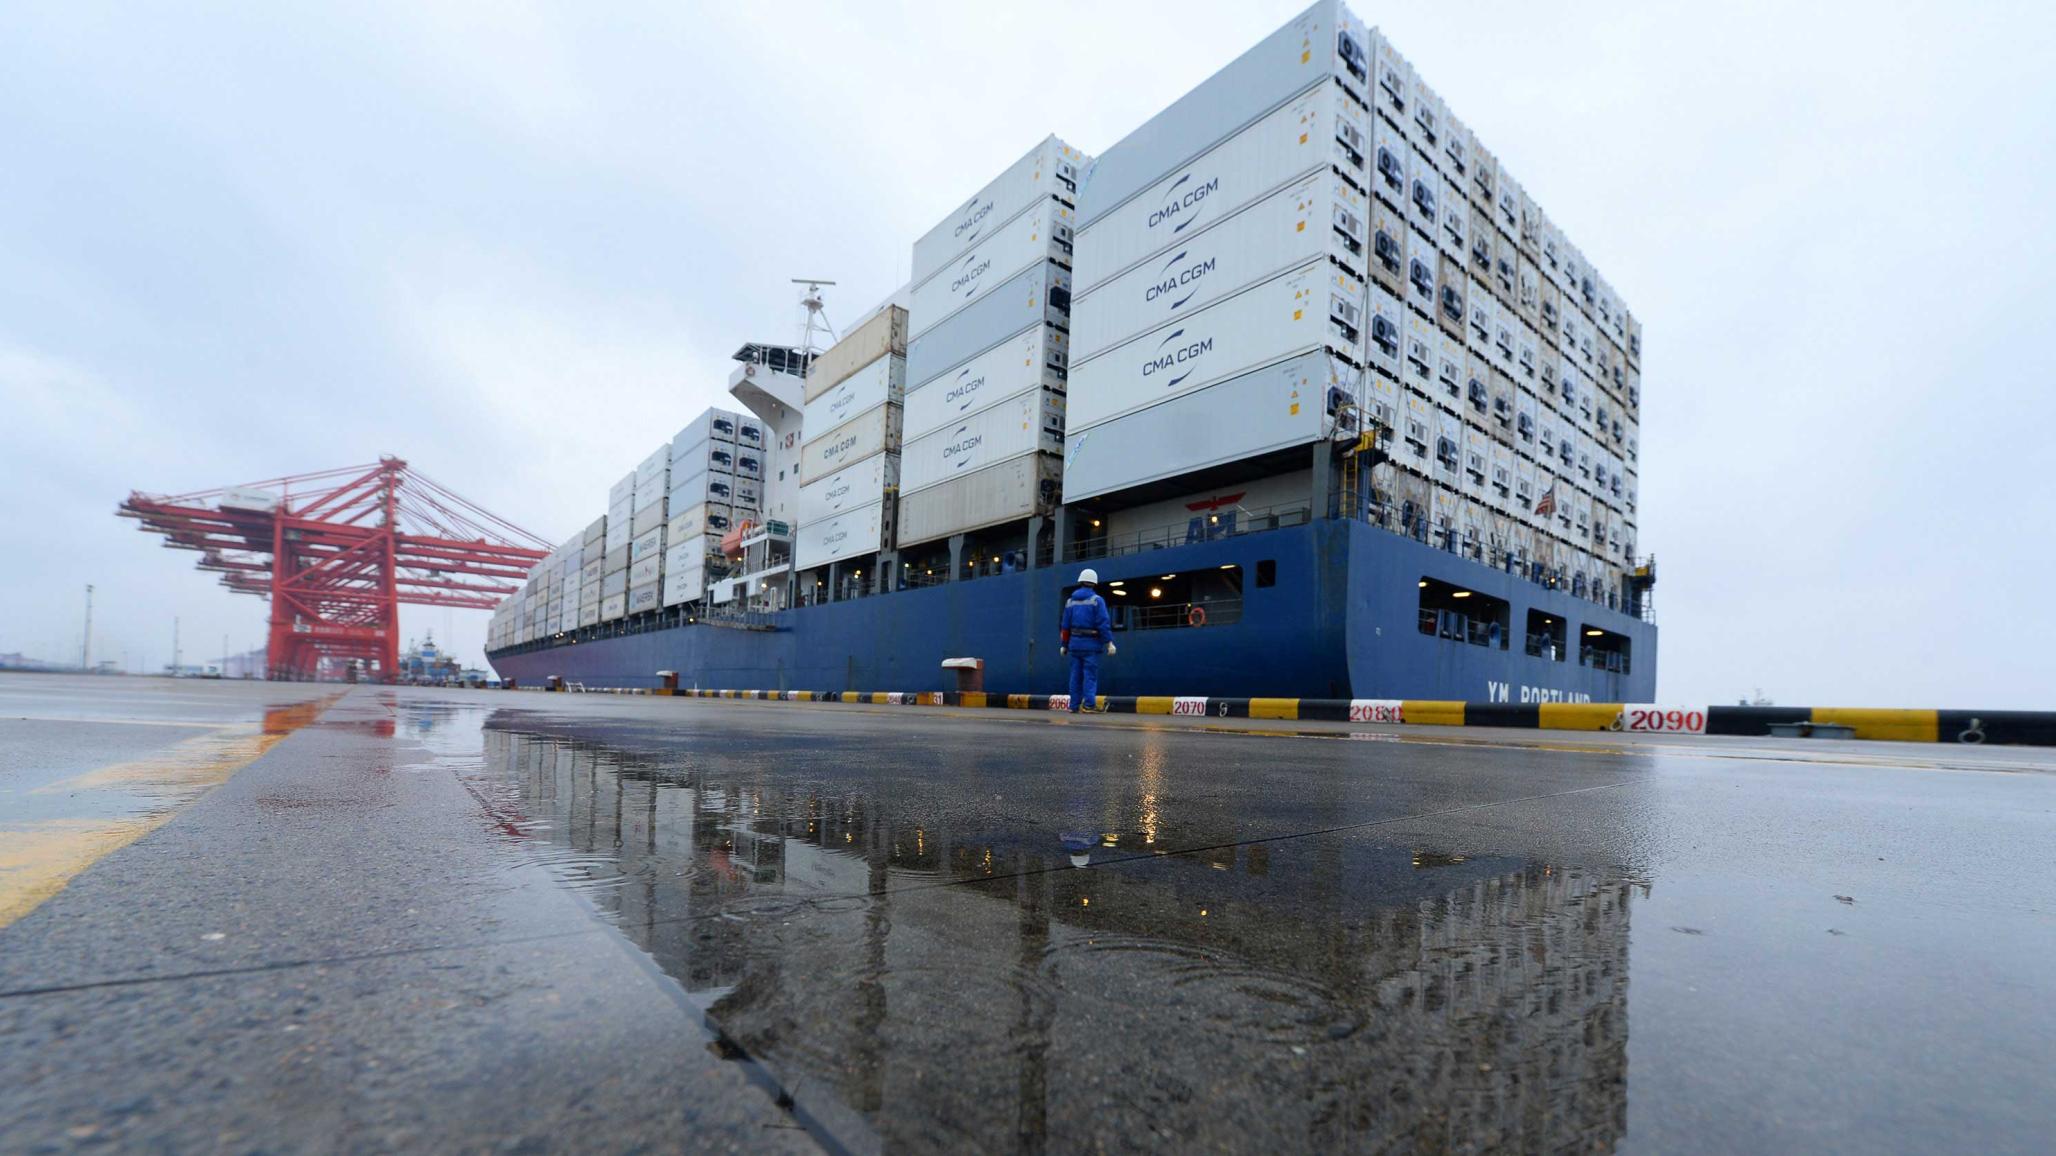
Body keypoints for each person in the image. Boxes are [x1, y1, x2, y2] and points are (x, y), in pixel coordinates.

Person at [1059, 568, 1115, 713]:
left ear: (1080, 581)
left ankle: (1073, 706)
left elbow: (1065, 626)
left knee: (1075, 676)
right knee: (1089, 676)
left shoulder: (1070, 602)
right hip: (1091, 646)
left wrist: (1064, 645)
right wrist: (1109, 643)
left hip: (1075, 646)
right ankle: (1089, 705)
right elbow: (1103, 623)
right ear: (1094, 583)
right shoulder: (1097, 601)